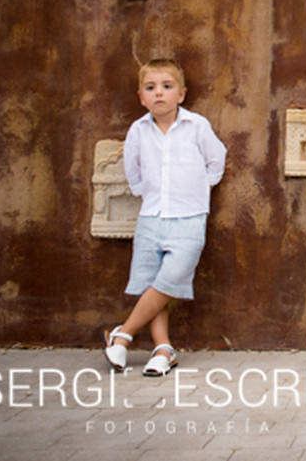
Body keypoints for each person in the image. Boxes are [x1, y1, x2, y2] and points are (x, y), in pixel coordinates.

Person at [103, 58, 226, 376]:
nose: (159, 93)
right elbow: (133, 169)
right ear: (141, 97)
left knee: (171, 278)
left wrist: (200, 186)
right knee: (153, 280)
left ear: (181, 94)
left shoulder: (196, 126)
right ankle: (162, 348)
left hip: (189, 216)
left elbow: (217, 159)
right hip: (152, 216)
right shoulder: (138, 130)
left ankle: (123, 334)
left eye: (167, 87)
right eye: (151, 88)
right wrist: (146, 191)